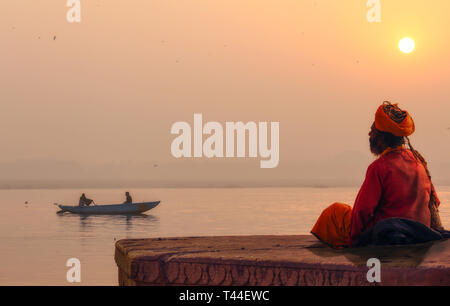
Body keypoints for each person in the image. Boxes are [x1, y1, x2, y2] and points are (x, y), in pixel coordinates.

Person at [311, 101, 445, 248]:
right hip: (420, 234)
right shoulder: (419, 162)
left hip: (389, 234)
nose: (369, 134)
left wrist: (355, 242)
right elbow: (433, 203)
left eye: (372, 130)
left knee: (336, 211)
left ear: (381, 138)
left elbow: (363, 211)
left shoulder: (379, 167)